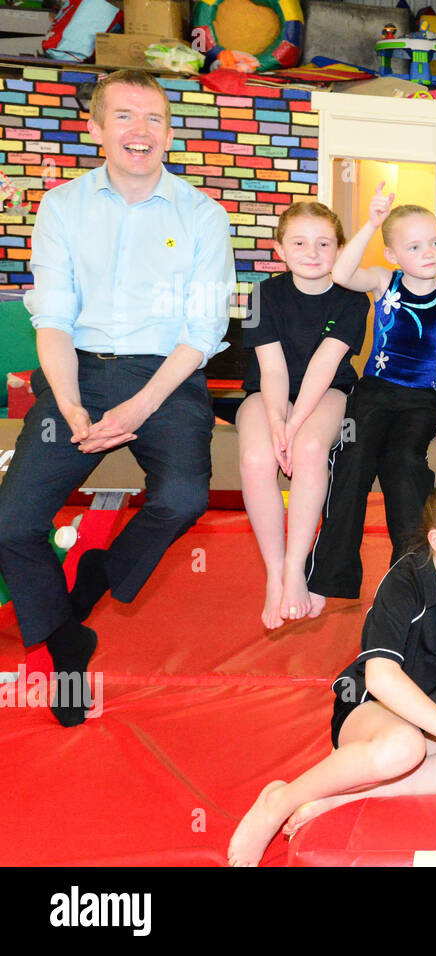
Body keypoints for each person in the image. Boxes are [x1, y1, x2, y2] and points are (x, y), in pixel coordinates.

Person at [0, 70, 234, 727]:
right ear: (96, 128)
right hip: (79, 371)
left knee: (183, 496)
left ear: (168, 132)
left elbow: (203, 331)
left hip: (167, 377)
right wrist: (71, 407)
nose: (141, 131)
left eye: (155, 118)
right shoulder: (62, 207)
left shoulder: (201, 216)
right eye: (125, 117)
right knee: (11, 525)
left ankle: (103, 568)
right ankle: (67, 642)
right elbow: (53, 317)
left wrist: (138, 410)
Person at [226, 479, 436, 866]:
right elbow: (381, 678)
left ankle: (344, 797)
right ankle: (278, 801)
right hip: (369, 711)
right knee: (404, 747)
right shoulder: (405, 582)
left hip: (430, 723)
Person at [305, 184, 436, 608]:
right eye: (415, 246)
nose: (430, 252)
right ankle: (329, 575)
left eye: (435, 242)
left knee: (404, 463)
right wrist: (371, 224)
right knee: (353, 458)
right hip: (375, 392)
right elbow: (340, 273)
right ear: (394, 255)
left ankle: (409, 579)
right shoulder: (383, 280)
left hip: (421, 400)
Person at [237, 203, 368, 628]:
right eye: (299, 243)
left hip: (327, 389)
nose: (311, 253)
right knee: (258, 459)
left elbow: (324, 366)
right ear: (280, 249)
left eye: (324, 244)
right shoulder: (262, 295)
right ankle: (275, 573)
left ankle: (297, 567)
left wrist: (293, 428)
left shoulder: (353, 300)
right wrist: (278, 421)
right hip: (268, 391)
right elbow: (272, 369)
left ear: (340, 249)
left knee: (310, 449)